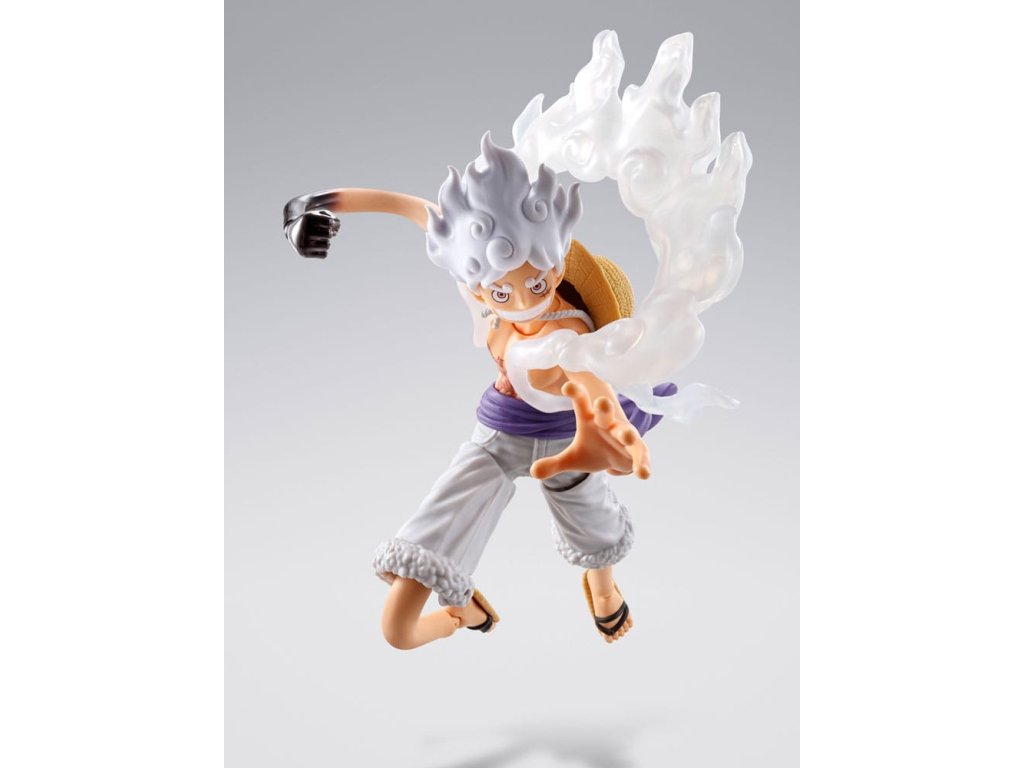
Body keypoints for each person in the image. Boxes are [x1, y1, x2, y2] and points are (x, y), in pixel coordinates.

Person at [284, 135, 675, 648]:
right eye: (501, 292)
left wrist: (610, 421)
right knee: (398, 627)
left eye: (537, 285)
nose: (522, 302)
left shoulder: (567, 333)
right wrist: (307, 207)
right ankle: (463, 614)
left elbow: (584, 376)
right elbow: (409, 208)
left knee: (595, 528)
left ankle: (603, 589)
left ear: (556, 267)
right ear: (477, 287)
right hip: (499, 438)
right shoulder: (481, 277)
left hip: (568, 442)